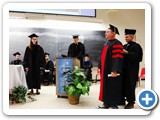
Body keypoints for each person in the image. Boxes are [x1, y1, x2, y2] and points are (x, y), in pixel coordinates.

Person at [98, 24, 124, 109]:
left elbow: (117, 58)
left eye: (107, 32)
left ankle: (113, 104)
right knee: (106, 86)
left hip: (111, 70)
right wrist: (99, 67)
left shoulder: (117, 44)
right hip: (105, 69)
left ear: (113, 33)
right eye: (105, 32)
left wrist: (115, 70)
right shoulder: (107, 43)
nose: (105, 33)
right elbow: (102, 56)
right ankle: (106, 103)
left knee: (113, 86)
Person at [123, 29, 143, 109]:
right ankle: (123, 99)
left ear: (132, 37)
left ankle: (131, 102)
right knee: (124, 85)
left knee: (131, 86)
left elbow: (138, 58)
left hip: (132, 70)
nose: (126, 38)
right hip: (124, 69)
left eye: (127, 37)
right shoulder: (124, 46)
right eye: (125, 37)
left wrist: (127, 53)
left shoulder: (136, 46)